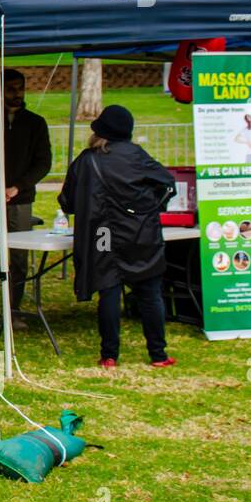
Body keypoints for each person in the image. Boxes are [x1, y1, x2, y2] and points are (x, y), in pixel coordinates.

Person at [59, 104, 177, 368]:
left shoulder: (86, 160)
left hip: (103, 236)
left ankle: (109, 355)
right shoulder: (137, 156)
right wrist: (149, 207)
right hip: (141, 233)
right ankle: (158, 354)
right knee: (149, 293)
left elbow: (67, 201)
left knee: (109, 293)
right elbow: (167, 183)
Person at [0, 68, 52, 329]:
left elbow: (44, 162)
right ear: (0, 91)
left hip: (21, 200)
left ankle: (14, 310)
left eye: (20, 88)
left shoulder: (36, 123)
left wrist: (18, 187)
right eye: (11, 89)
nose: (17, 94)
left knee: (19, 259)